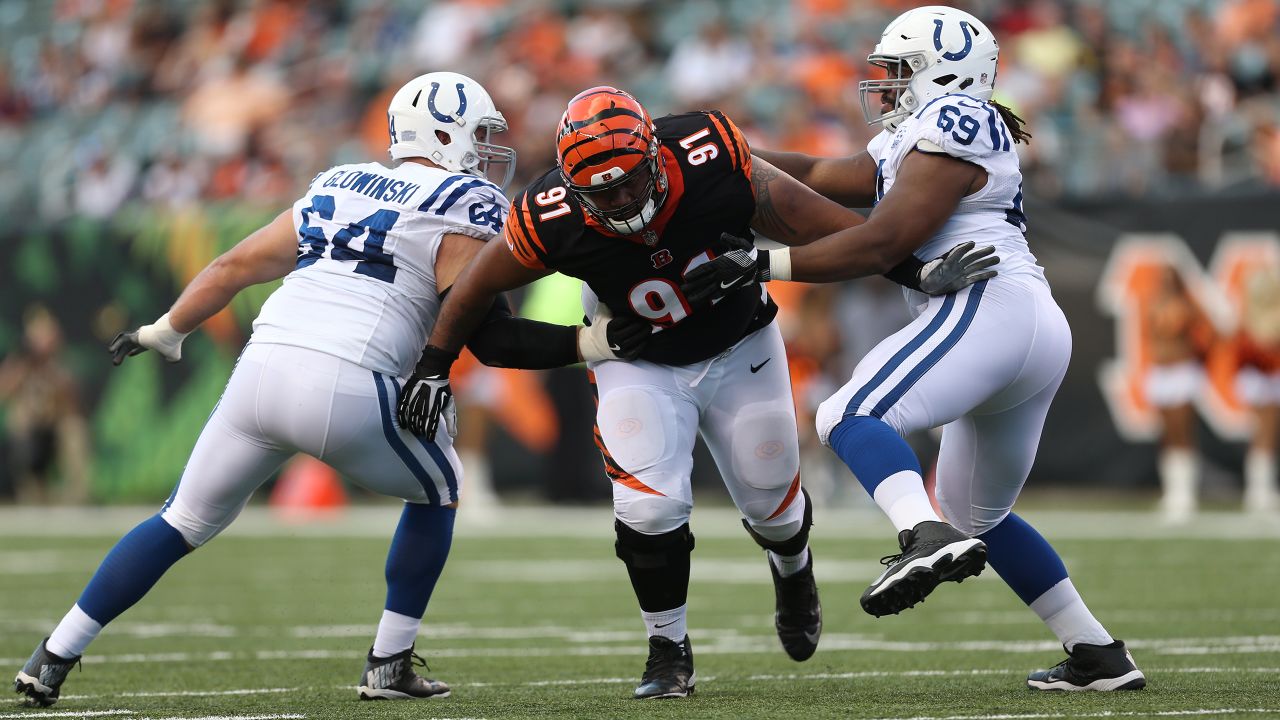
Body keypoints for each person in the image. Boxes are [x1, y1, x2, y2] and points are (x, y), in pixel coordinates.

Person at [12, 71, 647, 707]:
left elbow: (232, 266)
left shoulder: (338, 182)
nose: (487, 151)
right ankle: (389, 662)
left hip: (260, 372)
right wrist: (591, 341)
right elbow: (487, 331)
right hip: (348, 379)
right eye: (479, 135)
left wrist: (166, 329)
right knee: (442, 489)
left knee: (180, 520)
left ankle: (53, 654)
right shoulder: (466, 201)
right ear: (445, 133)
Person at [398, 85, 992, 699]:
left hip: (741, 343)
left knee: (774, 507)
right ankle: (666, 647)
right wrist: (434, 363)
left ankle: (792, 568)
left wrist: (909, 269)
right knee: (649, 507)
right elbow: (472, 288)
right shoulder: (549, 214)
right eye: (603, 191)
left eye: (630, 180)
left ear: (656, 156)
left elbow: (812, 217)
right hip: (641, 360)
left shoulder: (707, 155)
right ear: (574, 190)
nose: (623, 199)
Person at [690, 5, 1146, 691]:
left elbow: (883, 243)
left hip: (986, 302)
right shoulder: (923, 133)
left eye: (902, 71)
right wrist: (723, 159)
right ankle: (1097, 654)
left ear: (946, 73)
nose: (890, 85)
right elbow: (818, 172)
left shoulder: (957, 119)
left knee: (845, 415)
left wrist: (765, 264)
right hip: (1016, 321)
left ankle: (923, 536)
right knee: (978, 517)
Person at [1143, 265, 1212, 522]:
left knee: (1183, 433)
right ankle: (1172, 492)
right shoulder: (1154, 304)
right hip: (1160, 374)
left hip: (1182, 372)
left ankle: (1186, 494)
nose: (1166, 282)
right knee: (1167, 435)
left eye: (1171, 278)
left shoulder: (1186, 307)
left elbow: (1206, 335)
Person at [1237, 264, 1280, 514]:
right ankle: (1258, 490)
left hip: (1266, 375)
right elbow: (1259, 346)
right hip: (1260, 375)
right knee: (1264, 432)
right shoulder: (1255, 318)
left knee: (1266, 434)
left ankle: (1260, 489)